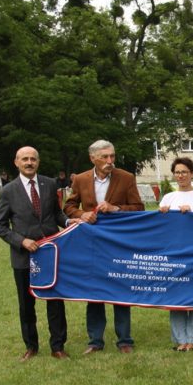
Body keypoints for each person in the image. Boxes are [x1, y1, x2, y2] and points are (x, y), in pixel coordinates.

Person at [0, 147, 78, 361]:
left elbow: (56, 214)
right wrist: (21, 241)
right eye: (25, 159)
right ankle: (31, 346)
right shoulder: (8, 191)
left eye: (33, 159)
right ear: (16, 162)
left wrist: (68, 222)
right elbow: (0, 226)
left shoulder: (49, 184)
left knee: (55, 301)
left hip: (50, 253)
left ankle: (58, 346)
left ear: (38, 162)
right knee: (26, 303)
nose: (29, 162)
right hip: (23, 257)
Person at [64, 140, 144, 354]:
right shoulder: (80, 179)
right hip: (92, 245)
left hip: (119, 243)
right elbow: (69, 206)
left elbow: (139, 208)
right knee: (94, 292)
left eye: (112, 156)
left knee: (120, 291)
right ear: (93, 158)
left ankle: (125, 340)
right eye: (105, 157)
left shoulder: (126, 178)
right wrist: (82, 214)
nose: (110, 161)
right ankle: (95, 341)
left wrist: (116, 208)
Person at [158, 157, 193, 351]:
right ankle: (180, 338)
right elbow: (161, 229)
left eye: (184, 172)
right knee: (176, 296)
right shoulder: (167, 199)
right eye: (177, 172)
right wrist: (162, 215)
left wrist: (192, 216)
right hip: (173, 253)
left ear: (192, 174)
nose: (181, 175)